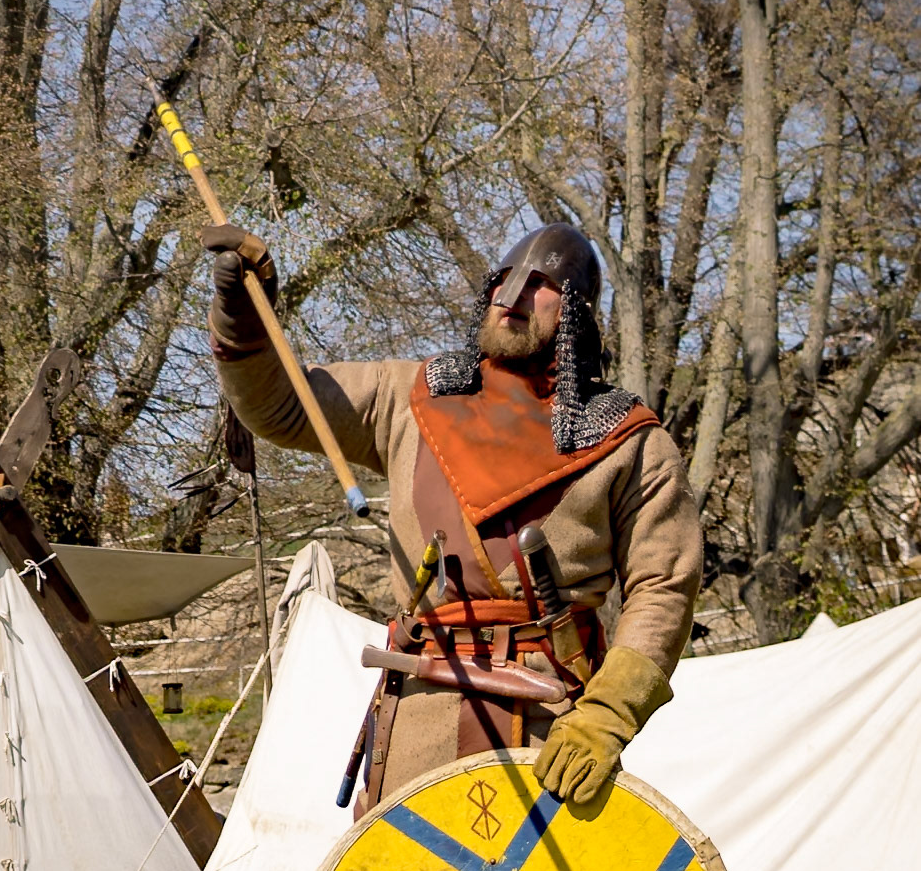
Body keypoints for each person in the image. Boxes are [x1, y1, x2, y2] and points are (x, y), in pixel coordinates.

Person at [204, 221, 702, 811]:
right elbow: (278, 405)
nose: (512, 297)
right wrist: (242, 310)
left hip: (550, 718)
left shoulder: (626, 439)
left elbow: (664, 587)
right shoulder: (409, 396)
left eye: (540, 285)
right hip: (419, 711)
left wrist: (607, 714)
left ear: (576, 315)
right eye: (504, 281)